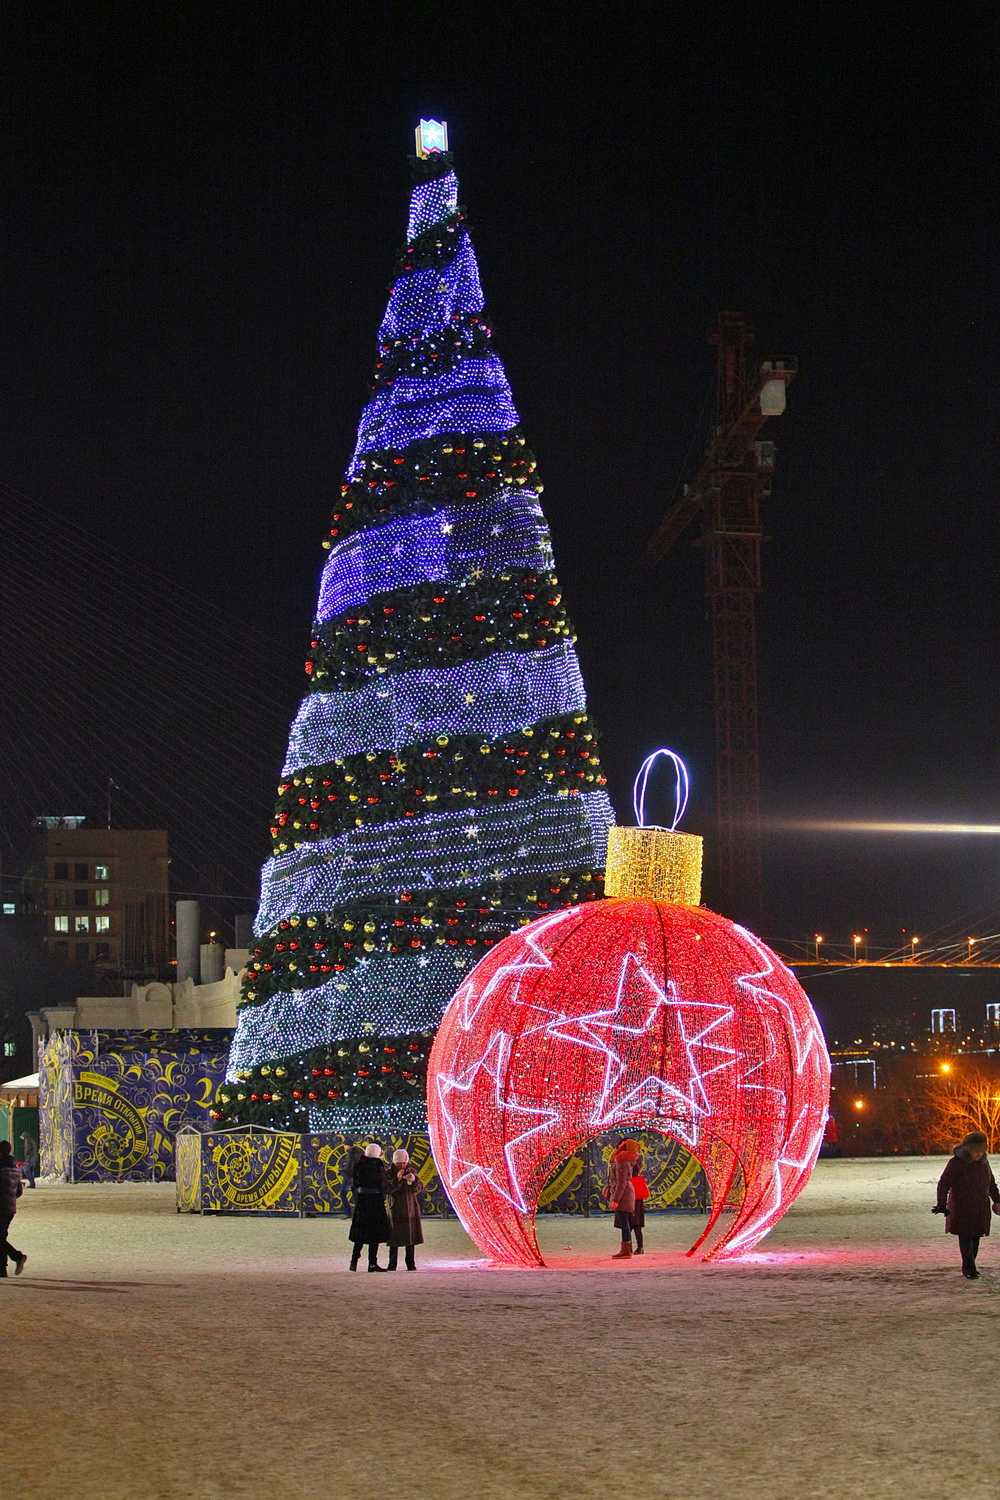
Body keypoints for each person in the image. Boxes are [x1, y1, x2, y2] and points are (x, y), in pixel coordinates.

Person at [933, 1131, 1000, 1279]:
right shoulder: (956, 1163)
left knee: (975, 1238)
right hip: (961, 1207)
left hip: (980, 1207)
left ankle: (970, 1266)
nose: (979, 1155)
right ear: (968, 1150)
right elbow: (944, 1184)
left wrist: (997, 1200)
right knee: (965, 1237)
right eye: (976, 1151)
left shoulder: (984, 1163)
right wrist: (941, 1204)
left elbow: (991, 1185)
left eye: (982, 1151)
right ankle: (969, 1268)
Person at [349, 1143, 391, 1271]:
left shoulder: (359, 1165)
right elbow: (383, 1186)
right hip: (375, 1202)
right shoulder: (378, 1166)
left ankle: (354, 1262)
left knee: (360, 1233)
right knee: (374, 1233)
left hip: (362, 1201)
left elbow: (354, 1183)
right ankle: (372, 1264)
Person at [385, 1148, 423, 1271]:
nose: (402, 1165)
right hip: (395, 1208)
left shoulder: (411, 1171)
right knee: (394, 1238)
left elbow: (419, 1188)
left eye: (404, 1162)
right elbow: (387, 1190)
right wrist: (397, 1179)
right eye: (399, 1163)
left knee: (410, 1238)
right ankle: (392, 1264)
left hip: (410, 1207)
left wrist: (414, 1181)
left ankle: (410, 1263)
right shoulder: (388, 1173)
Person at [606, 1139, 640, 1259]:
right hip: (625, 1194)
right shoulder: (625, 1161)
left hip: (624, 1195)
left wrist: (615, 1199)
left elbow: (621, 1182)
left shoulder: (622, 1162)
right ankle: (627, 1249)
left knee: (624, 1222)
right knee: (625, 1221)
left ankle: (626, 1250)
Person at [0, 1139, 27, 1277]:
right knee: (2, 1237)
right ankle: (2, 1270)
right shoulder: (14, 1168)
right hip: (9, 1208)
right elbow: (19, 1191)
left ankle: (17, 1256)